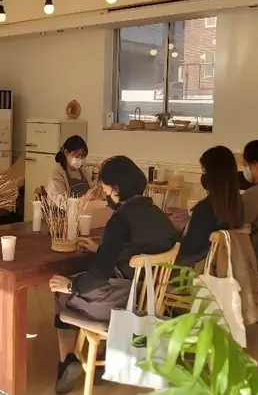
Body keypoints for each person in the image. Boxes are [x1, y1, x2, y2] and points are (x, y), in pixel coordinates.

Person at [48, 155, 178, 394]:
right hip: (146, 299)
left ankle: (68, 360)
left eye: (106, 190)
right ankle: (99, 360)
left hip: (119, 302)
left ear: (117, 190)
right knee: (79, 282)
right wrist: (102, 249)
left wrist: (69, 285)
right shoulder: (159, 216)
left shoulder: (120, 220)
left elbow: (98, 275)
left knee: (61, 290)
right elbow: (142, 252)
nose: (106, 195)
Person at [177, 145, 245, 267]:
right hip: (220, 268)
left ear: (214, 175)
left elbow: (189, 249)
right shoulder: (238, 205)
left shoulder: (205, 210)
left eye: (203, 170)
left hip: (192, 273)